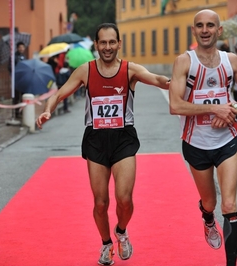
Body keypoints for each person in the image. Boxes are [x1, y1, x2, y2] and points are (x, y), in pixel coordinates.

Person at [36, 23, 170, 266]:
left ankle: (121, 230)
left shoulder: (130, 69)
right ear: (96, 45)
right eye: (103, 43)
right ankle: (107, 243)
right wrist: (47, 111)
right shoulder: (85, 71)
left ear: (119, 44)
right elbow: (58, 94)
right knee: (100, 203)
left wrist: (173, 82)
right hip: (96, 139)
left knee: (125, 200)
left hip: (123, 138)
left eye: (112, 42)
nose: (107, 47)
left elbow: (157, 79)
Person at [168, 9, 237, 266]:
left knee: (229, 204)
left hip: (227, 141)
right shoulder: (184, 62)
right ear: (194, 30)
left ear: (219, 31)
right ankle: (208, 218)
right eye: (200, 25)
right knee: (210, 201)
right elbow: (175, 105)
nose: (205, 29)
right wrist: (214, 108)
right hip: (196, 142)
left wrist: (233, 108)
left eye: (210, 25)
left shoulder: (232, 61)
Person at [8, 41, 27, 119]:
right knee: (16, 97)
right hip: (16, 79)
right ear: (17, 48)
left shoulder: (24, 57)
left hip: (23, 79)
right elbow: (9, 67)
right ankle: (16, 113)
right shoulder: (13, 57)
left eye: (22, 47)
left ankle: (22, 112)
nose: (21, 49)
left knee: (23, 96)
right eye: (20, 47)